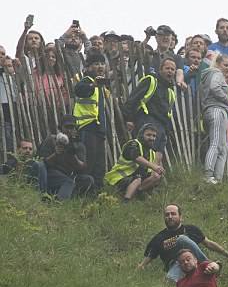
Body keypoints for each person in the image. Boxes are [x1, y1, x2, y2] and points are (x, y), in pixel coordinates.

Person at [140, 204, 228, 282]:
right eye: (167, 215)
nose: (170, 217)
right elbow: (150, 255)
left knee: (181, 239)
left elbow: (208, 243)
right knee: (169, 281)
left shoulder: (191, 230)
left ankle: (208, 265)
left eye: (173, 214)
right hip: (176, 265)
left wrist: (226, 253)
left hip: (195, 263)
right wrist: (141, 266)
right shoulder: (159, 237)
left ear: (181, 217)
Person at [124, 56, 177, 163]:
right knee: (142, 156)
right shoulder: (150, 81)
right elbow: (132, 99)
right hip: (146, 122)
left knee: (155, 162)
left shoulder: (170, 91)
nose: (170, 71)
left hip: (161, 128)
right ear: (160, 69)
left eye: (172, 69)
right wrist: (129, 119)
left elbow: (168, 113)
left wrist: (166, 131)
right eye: (167, 68)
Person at [35, 116, 95, 200]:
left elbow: (83, 168)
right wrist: (56, 154)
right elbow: (41, 163)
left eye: (72, 127)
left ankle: (69, 197)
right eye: (67, 127)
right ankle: (58, 201)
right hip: (50, 175)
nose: (69, 130)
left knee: (88, 180)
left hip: (68, 175)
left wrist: (73, 156)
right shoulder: (52, 140)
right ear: (60, 128)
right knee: (68, 182)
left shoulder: (78, 145)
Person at [72, 51, 109, 188]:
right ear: (88, 68)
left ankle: (97, 191)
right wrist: (93, 86)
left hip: (98, 128)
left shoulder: (100, 85)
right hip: (87, 127)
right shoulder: (87, 81)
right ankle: (83, 190)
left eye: (102, 63)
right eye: (96, 64)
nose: (100, 66)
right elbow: (79, 90)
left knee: (99, 162)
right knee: (89, 160)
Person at [199, 53, 228, 184]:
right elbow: (214, 87)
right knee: (216, 143)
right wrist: (227, 99)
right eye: (225, 65)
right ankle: (208, 175)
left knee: (223, 146)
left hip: (219, 111)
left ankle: (218, 178)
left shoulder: (209, 75)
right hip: (216, 109)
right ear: (218, 63)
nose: (227, 68)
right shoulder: (216, 73)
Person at [104, 124, 165, 201]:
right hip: (117, 179)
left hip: (136, 179)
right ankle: (126, 200)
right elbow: (136, 157)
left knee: (156, 176)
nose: (152, 138)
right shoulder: (133, 144)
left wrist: (158, 171)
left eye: (154, 136)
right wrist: (154, 166)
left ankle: (138, 192)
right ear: (141, 135)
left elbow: (149, 171)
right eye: (148, 135)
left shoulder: (151, 152)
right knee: (137, 179)